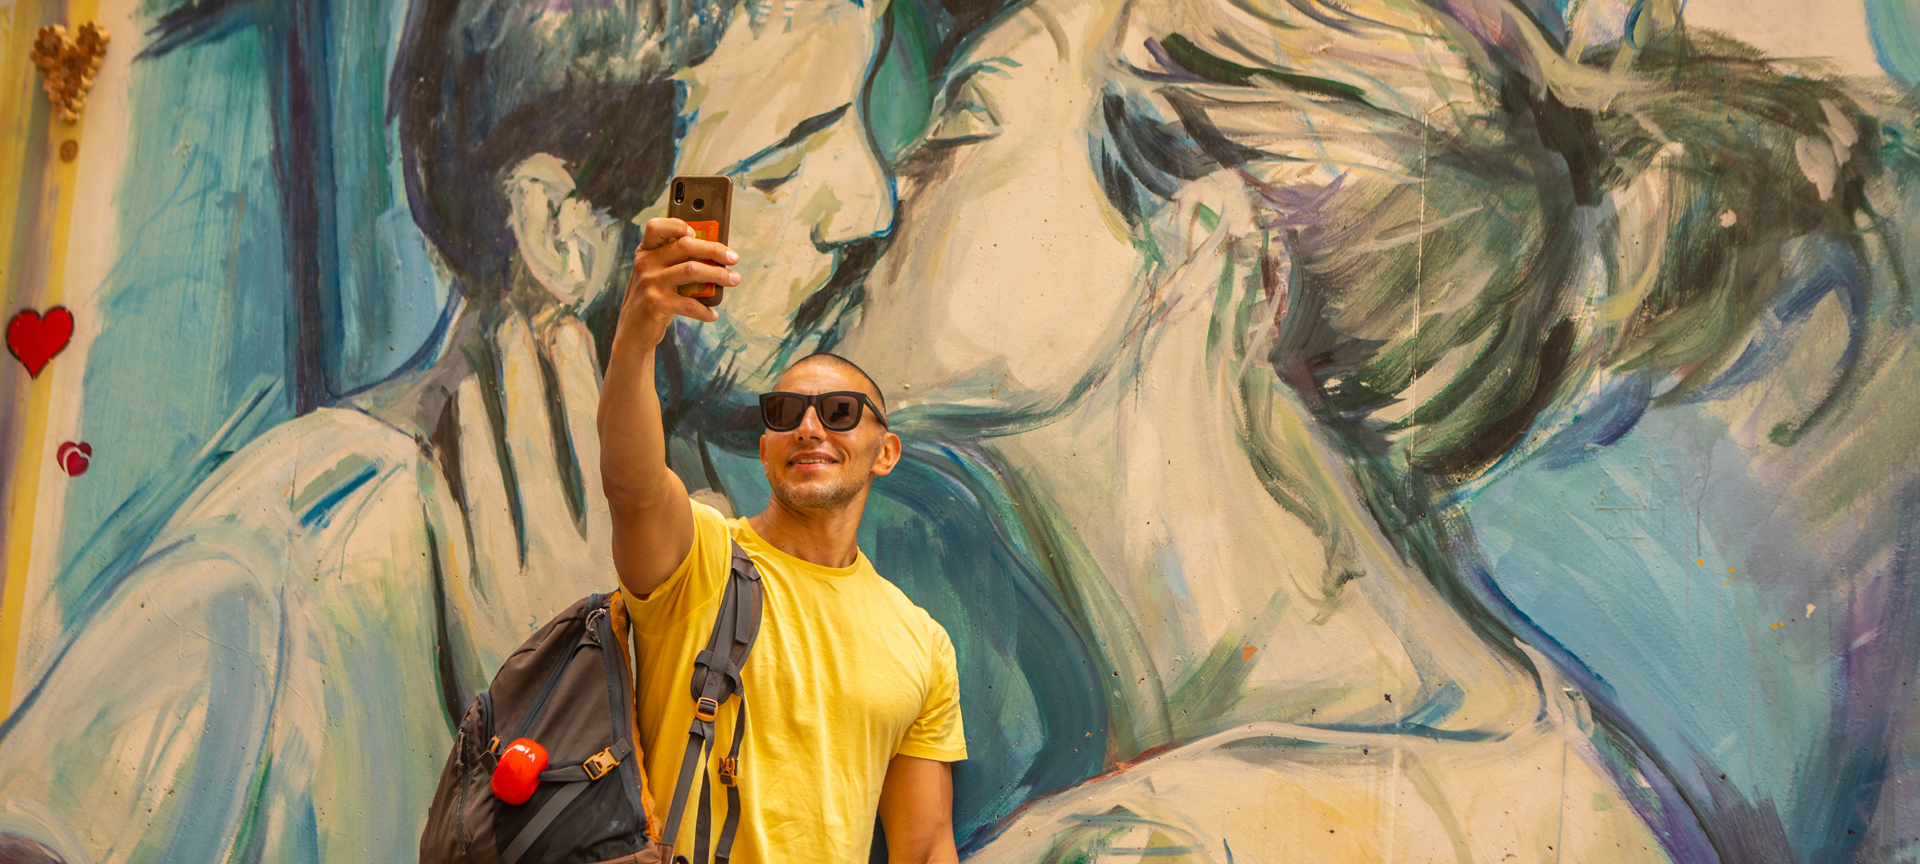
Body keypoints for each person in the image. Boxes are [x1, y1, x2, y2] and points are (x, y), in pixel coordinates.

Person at [681, 0, 1914, 859]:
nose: (883, 187)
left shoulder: (1151, 844)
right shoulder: (1541, 760)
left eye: (964, 128)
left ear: (1205, 248)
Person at [0, 0, 936, 860]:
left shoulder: (727, 523)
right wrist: (568, 693)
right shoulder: (285, 580)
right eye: (780, 164)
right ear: (560, 231)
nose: (871, 207)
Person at [603, 218, 968, 861]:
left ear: (885, 453)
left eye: (839, 413)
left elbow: (924, 842)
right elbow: (632, 487)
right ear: (764, 448)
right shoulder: (701, 559)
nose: (808, 427)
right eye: (783, 413)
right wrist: (638, 334)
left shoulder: (922, 642)